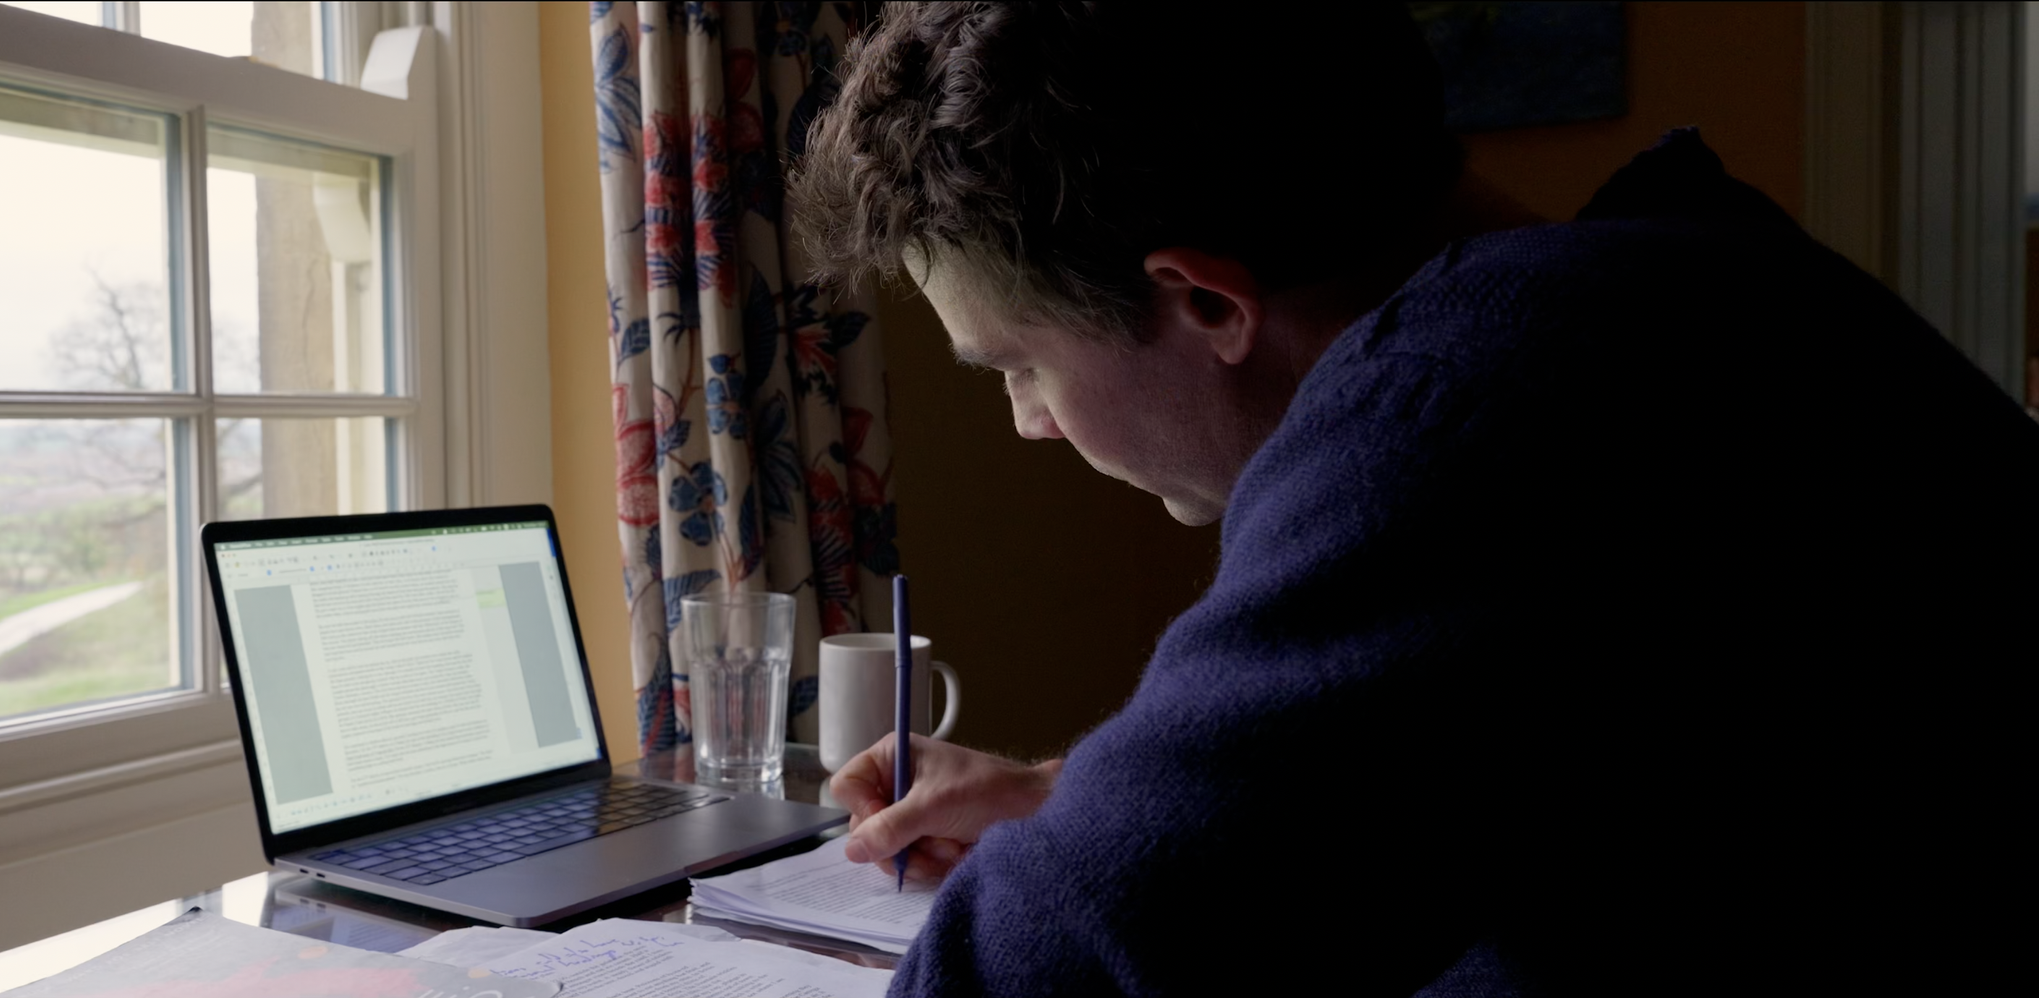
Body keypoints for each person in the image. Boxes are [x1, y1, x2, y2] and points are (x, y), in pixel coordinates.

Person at [788, 4, 2036, 996]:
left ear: (1208, 304)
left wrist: (1093, 863)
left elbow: (1076, 961)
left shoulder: (1458, 410)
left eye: (1020, 367)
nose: (1031, 422)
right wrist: (1079, 796)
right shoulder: (1685, 284)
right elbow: (1466, 768)